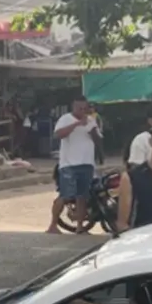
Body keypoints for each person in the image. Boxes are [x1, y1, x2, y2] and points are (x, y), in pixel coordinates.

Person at [49, 98, 101, 234]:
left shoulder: (91, 120)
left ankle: (80, 226)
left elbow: (98, 140)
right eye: (80, 108)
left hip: (87, 162)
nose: (83, 111)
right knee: (65, 195)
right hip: (69, 164)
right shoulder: (65, 119)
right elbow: (58, 134)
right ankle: (53, 225)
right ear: (74, 107)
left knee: (82, 196)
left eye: (85, 108)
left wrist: (93, 131)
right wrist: (77, 124)